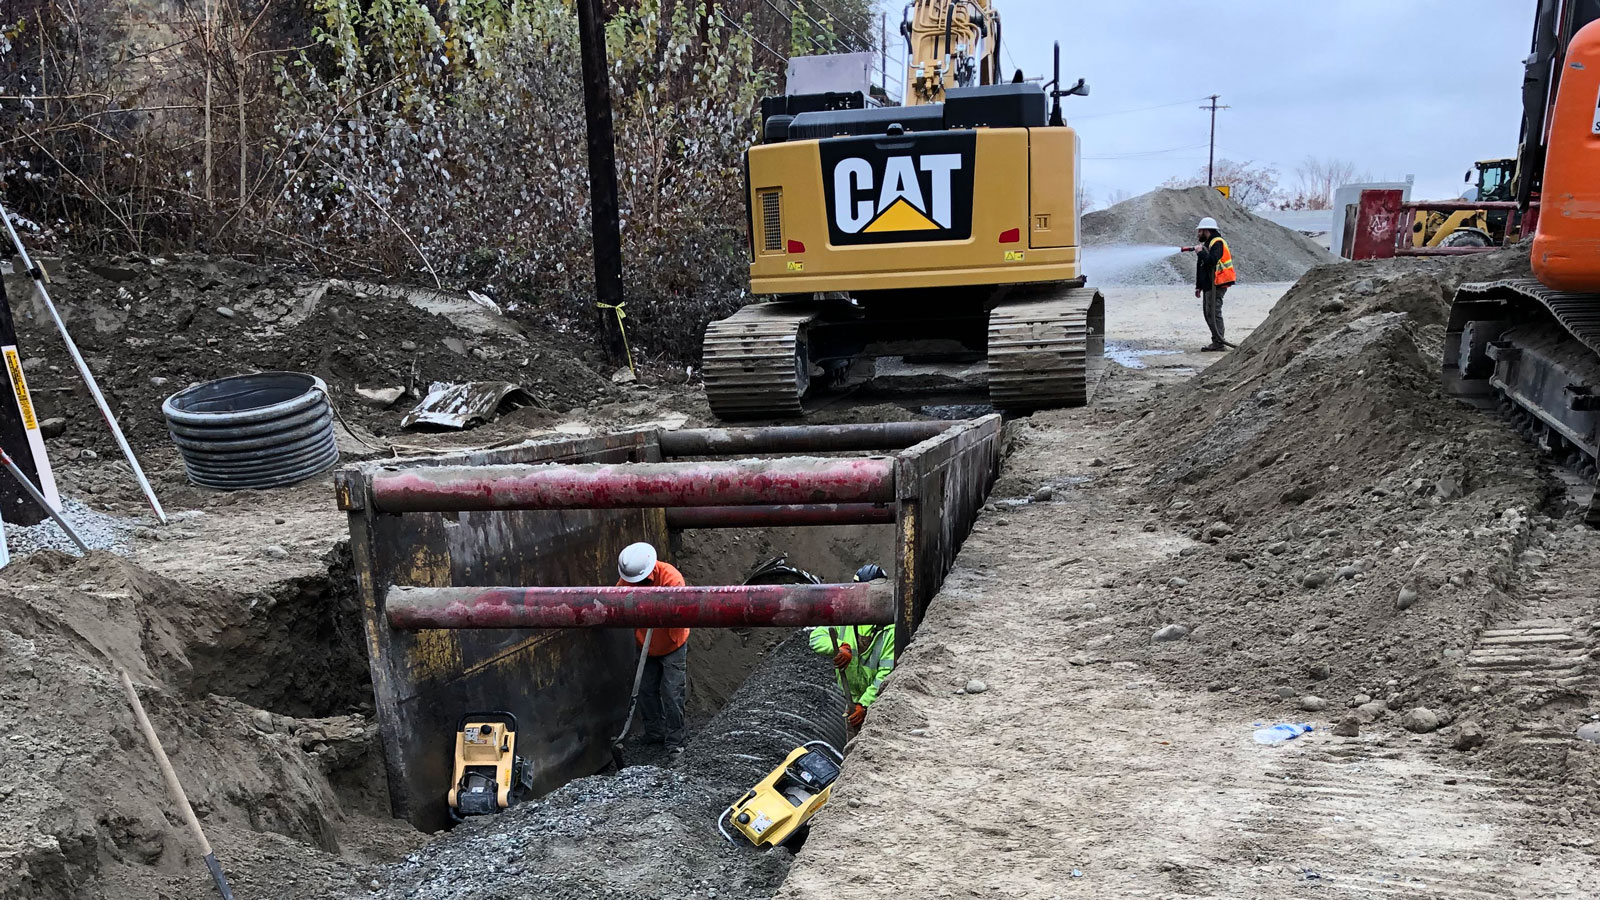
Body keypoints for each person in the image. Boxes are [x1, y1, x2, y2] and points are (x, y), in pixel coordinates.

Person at [617, 542, 689, 754]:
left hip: (672, 643)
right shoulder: (628, 579)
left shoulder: (671, 578)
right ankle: (654, 732)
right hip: (645, 645)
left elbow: (679, 610)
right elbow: (618, 600)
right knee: (646, 690)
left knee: (671, 692)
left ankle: (676, 741)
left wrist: (655, 609)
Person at [808, 564, 896, 730]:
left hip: (877, 704)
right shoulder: (846, 617)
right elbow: (816, 637)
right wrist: (840, 647)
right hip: (851, 699)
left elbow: (886, 673)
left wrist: (864, 705)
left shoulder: (890, 628)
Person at [1188, 216, 1237, 352]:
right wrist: (1198, 286)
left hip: (1218, 283)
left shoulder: (1217, 243)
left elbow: (1211, 261)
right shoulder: (1207, 244)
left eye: (1200, 231)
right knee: (1208, 313)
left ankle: (1219, 342)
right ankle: (1217, 340)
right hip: (1209, 284)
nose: (1198, 234)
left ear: (1206, 230)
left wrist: (1200, 253)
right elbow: (1202, 266)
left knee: (1214, 313)